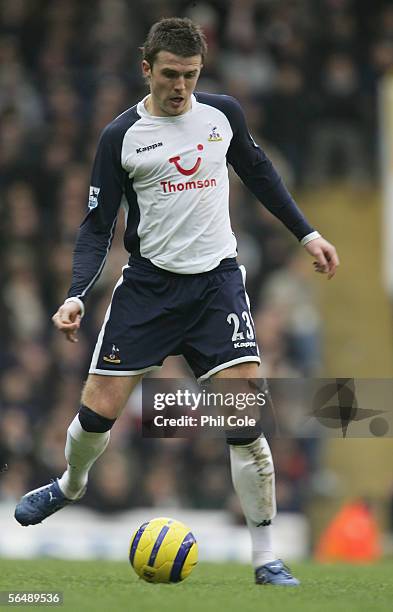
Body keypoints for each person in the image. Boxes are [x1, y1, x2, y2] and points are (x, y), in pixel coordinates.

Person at [14, 17, 339, 586]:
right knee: (95, 417)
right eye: (169, 75)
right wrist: (74, 295)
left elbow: (260, 174)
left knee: (246, 422)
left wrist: (306, 234)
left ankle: (266, 558)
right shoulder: (121, 136)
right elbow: (96, 227)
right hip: (147, 290)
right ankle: (70, 484)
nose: (180, 86)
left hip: (216, 287)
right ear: (147, 69)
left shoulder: (223, 117)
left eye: (190, 75)